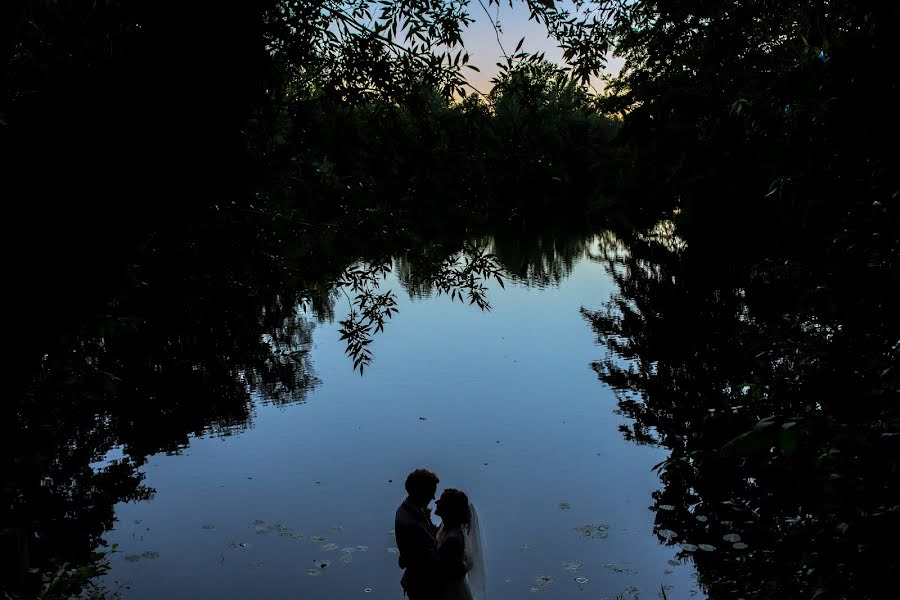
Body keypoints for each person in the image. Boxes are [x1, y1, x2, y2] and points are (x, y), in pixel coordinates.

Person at [395, 468, 443, 599]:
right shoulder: (412, 523)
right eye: (431, 492)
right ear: (421, 492)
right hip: (422, 585)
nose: (433, 497)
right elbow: (429, 559)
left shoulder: (408, 508)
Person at [434, 488, 486, 600]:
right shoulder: (445, 529)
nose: (436, 502)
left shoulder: (453, 538)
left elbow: (455, 570)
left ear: (449, 509)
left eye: (441, 501)